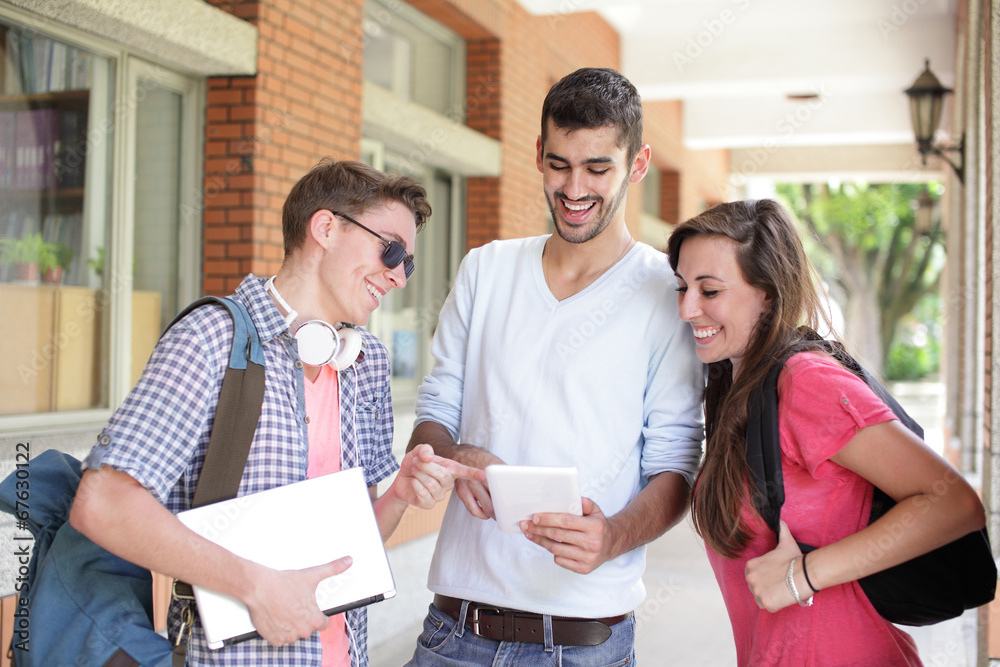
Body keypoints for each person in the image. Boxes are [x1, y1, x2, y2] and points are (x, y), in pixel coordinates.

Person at [69, 158, 485, 667]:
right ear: (326, 228)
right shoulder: (210, 339)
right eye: (391, 249)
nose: (399, 276)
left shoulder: (365, 362)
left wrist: (400, 493)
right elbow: (102, 504)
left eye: (408, 263)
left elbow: (353, 550)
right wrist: (256, 587)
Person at [404, 67, 705, 665]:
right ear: (539, 154)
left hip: (583, 641)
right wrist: (454, 455)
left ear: (638, 164)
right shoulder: (485, 270)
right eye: (560, 164)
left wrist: (612, 536)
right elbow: (436, 409)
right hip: (454, 630)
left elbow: (675, 467)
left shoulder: (666, 294)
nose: (574, 188)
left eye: (598, 168)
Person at [667, 199, 986, 666]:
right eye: (682, 287)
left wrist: (803, 576)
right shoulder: (736, 385)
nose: (687, 309)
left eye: (710, 291)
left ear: (769, 295)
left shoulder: (803, 382)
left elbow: (954, 502)